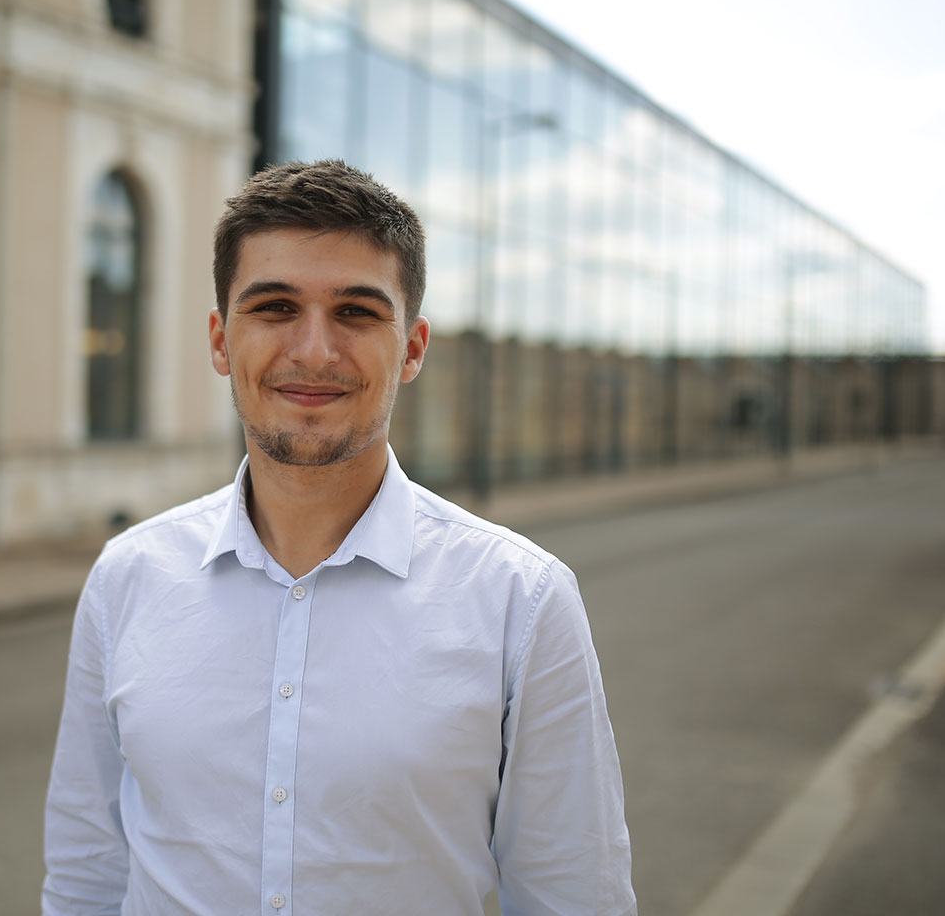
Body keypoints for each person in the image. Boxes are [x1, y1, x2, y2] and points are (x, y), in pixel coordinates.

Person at [42, 160, 635, 915]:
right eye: (276, 307)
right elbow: (87, 872)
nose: (315, 350)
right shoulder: (128, 576)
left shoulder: (523, 599)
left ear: (413, 348)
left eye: (356, 311)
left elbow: (573, 894)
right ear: (222, 342)